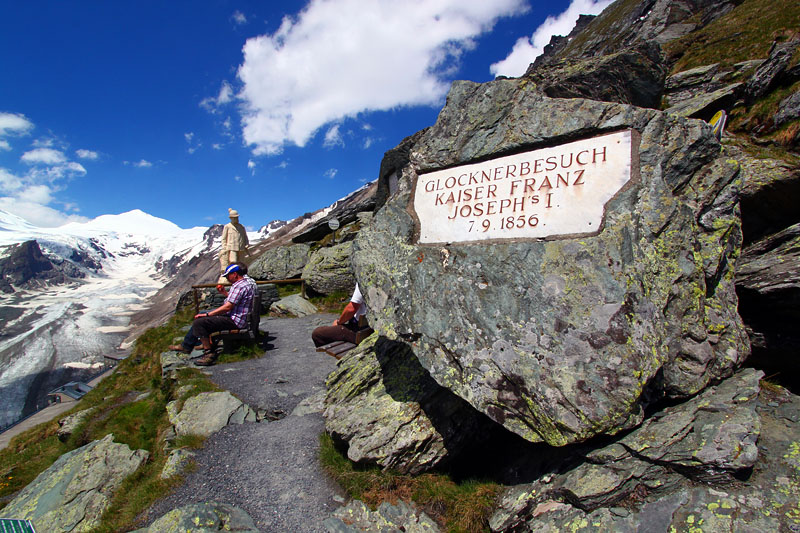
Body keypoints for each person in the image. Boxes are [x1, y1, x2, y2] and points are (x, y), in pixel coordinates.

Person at [169, 262, 257, 366]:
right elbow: (238, 300)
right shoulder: (248, 283)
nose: (227, 278)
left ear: (235, 274)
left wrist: (208, 315)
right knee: (202, 313)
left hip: (236, 321)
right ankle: (187, 345)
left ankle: (209, 354)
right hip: (243, 318)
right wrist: (225, 293)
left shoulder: (238, 286)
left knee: (199, 322)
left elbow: (228, 307)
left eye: (228, 276)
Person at [312, 283, 367, 347]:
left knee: (317, 333)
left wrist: (339, 322)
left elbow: (351, 308)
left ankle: (342, 351)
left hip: (357, 332)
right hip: (367, 329)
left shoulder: (362, 283)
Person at [219, 208, 249, 283]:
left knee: (241, 263)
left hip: (241, 248)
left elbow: (245, 236)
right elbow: (224, 238)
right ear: (231, 218)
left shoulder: (241, 227)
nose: (236, 219)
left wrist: (246, 243)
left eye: (237, 217)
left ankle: (241, 276)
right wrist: (224, 247)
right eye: (235, 218)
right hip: (231, 247)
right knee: (233, 261)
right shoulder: (227, 226)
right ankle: (230, 276)